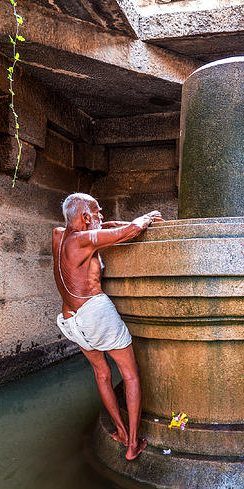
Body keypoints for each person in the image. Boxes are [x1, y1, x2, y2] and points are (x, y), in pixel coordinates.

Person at [52, 193, 163, 461]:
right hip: (94, 313)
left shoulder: (59, 234)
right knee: (130, 375)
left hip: (71, 320)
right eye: (97, 212)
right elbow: (131, 231)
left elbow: (104, 227)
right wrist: (146, 218)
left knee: (102, 374)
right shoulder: (81, 241)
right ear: (85, 217)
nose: (101, 216)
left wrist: (106, 223)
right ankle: (133, 444)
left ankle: (122, 433)